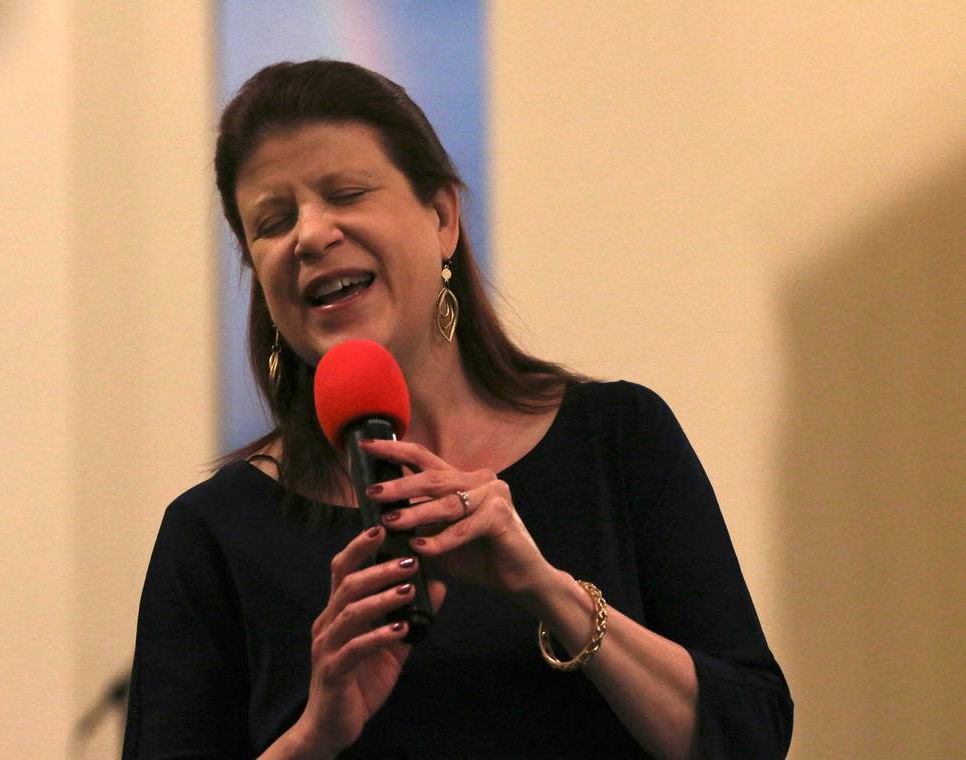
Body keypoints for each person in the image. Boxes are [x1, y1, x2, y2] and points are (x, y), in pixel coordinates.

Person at [123, 60, 792, 759]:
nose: (311, 235)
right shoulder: (215, 533)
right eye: (272, 221)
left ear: (442, 218)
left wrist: (547, 592)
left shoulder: (618, 441)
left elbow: (751, 736)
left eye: (345, 193)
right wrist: (315, 735)